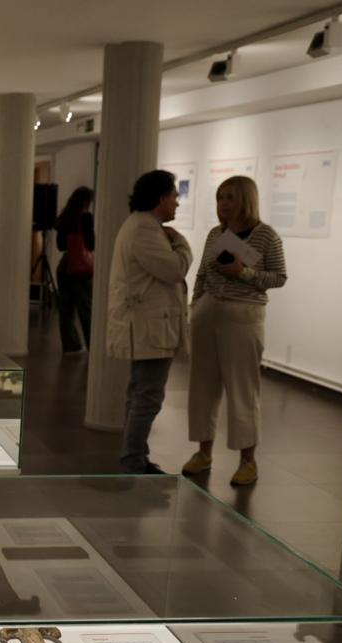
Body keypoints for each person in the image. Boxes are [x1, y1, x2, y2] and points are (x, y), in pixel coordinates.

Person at [182, 176, 287, 486]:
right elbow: (202, 273)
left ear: (246, 200)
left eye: (229, 197)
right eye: (219, 198)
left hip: (244, 314)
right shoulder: (217, 233)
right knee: (202, 386)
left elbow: (279, 277)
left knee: (243, 389)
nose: (223, 204)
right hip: (208, 312)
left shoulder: (266, 236)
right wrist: (196, 305)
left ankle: (247, 461)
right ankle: (203, 452)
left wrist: (244, 271)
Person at [105, 169, 193, 475]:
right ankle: (133, 459)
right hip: (150, 328)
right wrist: (182, 244)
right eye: (174, 197)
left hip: (148, 326)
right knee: (148, 395)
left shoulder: (142, 226)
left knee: (140, 392)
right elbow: (173, 269)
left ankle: (136, 454)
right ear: (160, 198)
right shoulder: (145, 229)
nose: (177, 204)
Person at [54, 187, 95, 353]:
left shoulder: (64, 217)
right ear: (86, 202)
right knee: (85, 307)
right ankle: (92, 344)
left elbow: (60, 246)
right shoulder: (85, 217)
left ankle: (70, 345)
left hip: (64, 264)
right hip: (80, 266)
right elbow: (91, 244)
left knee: (66, 308)